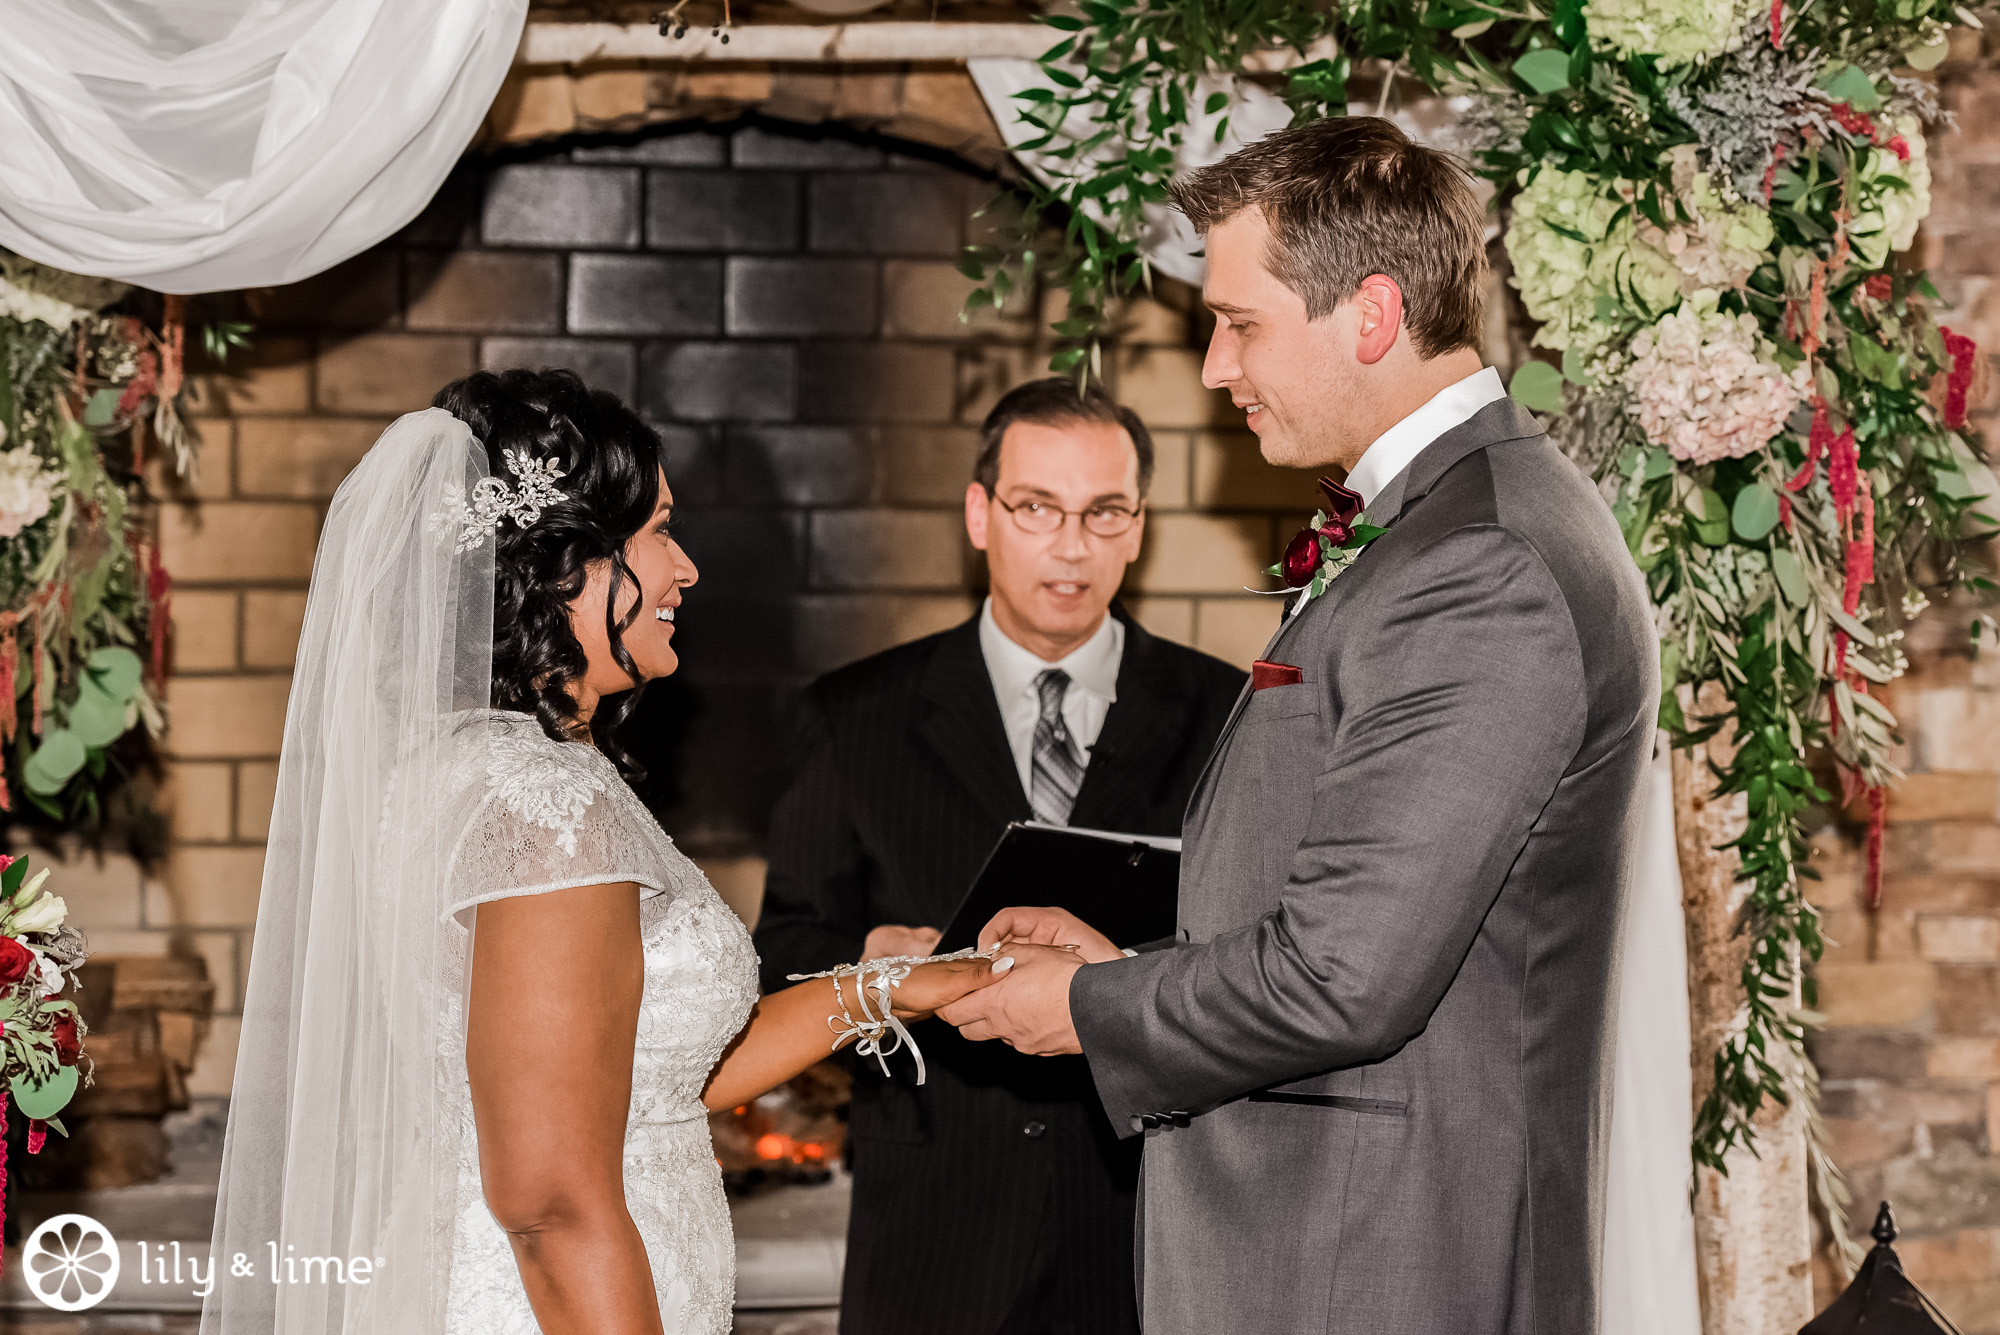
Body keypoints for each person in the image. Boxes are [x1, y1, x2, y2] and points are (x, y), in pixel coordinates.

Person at [941, 117, 1659, 1335]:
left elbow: (1343, 980)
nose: (1214, 366)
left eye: (1239, 322)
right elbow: (1363, 902)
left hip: (1382, 1261)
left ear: (1369, 315)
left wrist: (1085, 1009)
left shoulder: (1479, 562)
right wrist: (1123, 968)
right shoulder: (1438, 519)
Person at [202, 369, 1003, 1335]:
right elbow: (549, 1203)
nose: (686, 569)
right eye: (660, 530)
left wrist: (894, 988)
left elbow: (651, 1076)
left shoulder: (468, 766)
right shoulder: (548, 809)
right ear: (565, 565)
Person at [753, 379, 1245, 1335]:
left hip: (1140, 1222)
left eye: (1104, 512)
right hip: (935, 1224)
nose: (1073, 545)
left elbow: (1250, 951)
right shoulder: (854, 716)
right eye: (1037, 508)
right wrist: (870, 961)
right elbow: (781, 948)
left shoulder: (1227, 712)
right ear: (980, 514)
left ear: (1139, 528)